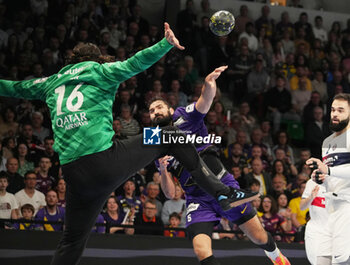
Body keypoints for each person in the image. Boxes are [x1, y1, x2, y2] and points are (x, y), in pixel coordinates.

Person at [0, 23, 252, 265]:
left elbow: (14, 87)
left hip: (73, 175)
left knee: (72, 240)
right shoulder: (100, 71)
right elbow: (137, 62)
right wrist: (165, 44)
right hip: (104, 162)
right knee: (170, 135)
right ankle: (223, 192)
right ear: (95, 60)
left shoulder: (50, 82)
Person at [151, 67, 290, 265]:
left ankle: (275, 256)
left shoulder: (184, 116)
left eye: (159, 107)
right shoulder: (157, 145)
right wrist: (163, 170)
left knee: (259, 237)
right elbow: (169, 192)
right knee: (201, 250)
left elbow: (205, 101)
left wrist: (209, 84)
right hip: (198, 200)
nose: (155, 112)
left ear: (170, 110)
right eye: (151, 111)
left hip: (223, 184)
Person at [306, 93, 350, 265]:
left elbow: (332, 171)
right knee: (322, 260)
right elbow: (330, 176)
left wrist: (329, 170)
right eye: (332, 110)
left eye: (340, 110)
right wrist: (320, 177)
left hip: (347, 206)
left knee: (341, 259)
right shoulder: (327, 142)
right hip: (327, 208)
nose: (335, 114)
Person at [300, 179, 327, 265]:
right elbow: (302, 207)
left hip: (334, 231)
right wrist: (311, 197)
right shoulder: (312, 182)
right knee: (317, 262)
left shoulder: (342, 181)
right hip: (315, 230)